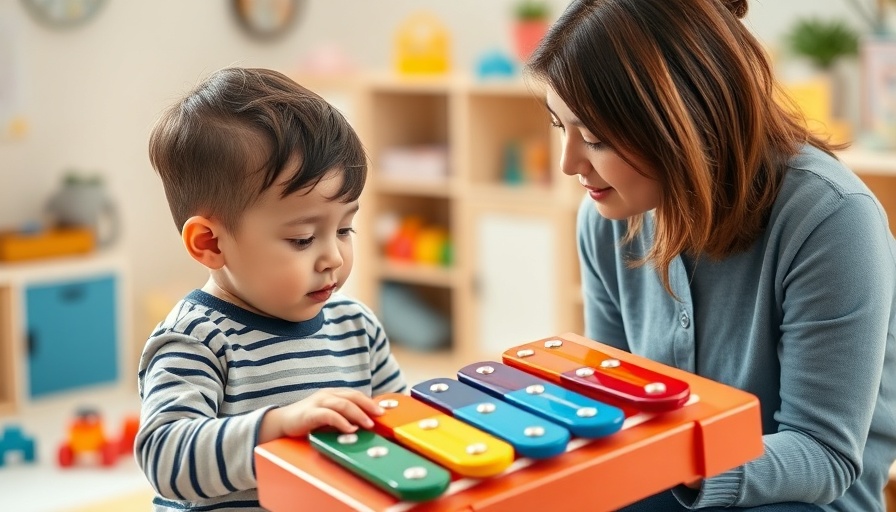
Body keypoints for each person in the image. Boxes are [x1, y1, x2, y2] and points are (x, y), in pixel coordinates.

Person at [526, 0, 896, 511]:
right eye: (558, 125)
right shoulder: (604, 222)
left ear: (682, 119)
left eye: (595, 137)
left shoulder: (831, 219)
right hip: (661, 483)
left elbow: (823, 454)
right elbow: (613, 406)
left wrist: (664, 462)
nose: (569, 164)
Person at [135, 67, 407, 511]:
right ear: (210, 243)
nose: (333, 258)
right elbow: (165, 456)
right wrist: (276, 427)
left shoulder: (358, 328)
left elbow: (400, 423)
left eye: (344, 229)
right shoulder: (196, 340)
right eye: (302, 239)